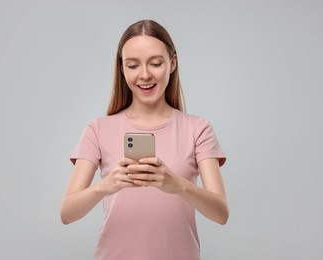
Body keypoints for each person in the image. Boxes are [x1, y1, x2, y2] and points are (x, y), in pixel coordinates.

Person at [60, 19, 229, 260]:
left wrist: (177, 184)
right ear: (122, 68)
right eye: (133, 65)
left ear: (172, 63)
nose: (145, 75)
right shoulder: (97, 129)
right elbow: (67, 213)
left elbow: (221, 213)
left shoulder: (197, 128)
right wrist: (105, 187)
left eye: (156, 63)